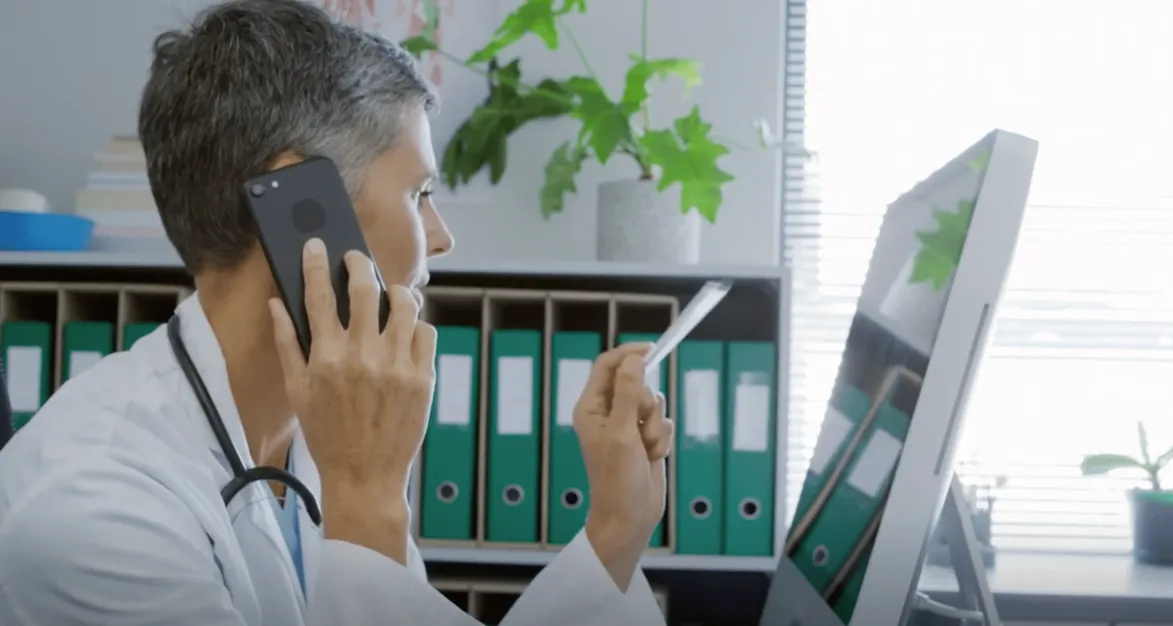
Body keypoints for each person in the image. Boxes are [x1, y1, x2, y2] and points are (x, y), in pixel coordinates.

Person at [0, 1, 675, 624]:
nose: (442, 238)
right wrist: (369, 500)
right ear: (302, 205)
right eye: (419, 194)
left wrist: (616, 530)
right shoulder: (94, 507)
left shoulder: (324, 433)